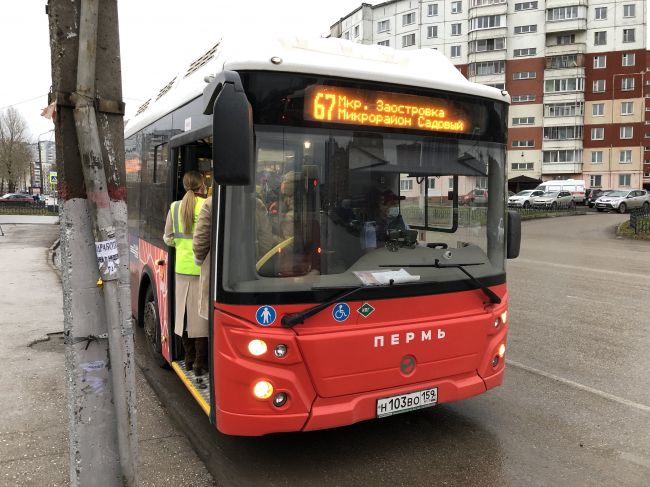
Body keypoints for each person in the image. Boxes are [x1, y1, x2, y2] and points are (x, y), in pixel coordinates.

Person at [163, 171, 208, 376]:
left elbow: (168, 238)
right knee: (201, 319)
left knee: (183, 317)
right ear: (202, 186)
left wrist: (181, 246)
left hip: (181, 269)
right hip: (202, 269)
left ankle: (188, 359)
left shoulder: (174, 207)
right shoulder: (207, 205)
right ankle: (200, 363)